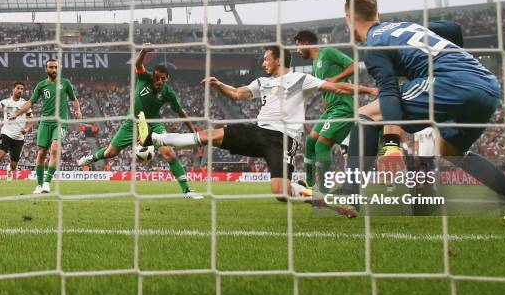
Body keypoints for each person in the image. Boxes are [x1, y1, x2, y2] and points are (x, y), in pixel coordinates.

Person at [344, 0, 505, 220]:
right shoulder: (407, 27)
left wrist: (392, 145)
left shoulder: (374, 46)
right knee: (451, 151)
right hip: (488, 87)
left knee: (365, 115)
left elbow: (389, 93)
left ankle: (350, 197)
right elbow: (452, 28)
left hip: (452, 83)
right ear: (377, 13)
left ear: (349, 18)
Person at [137, 45, 376, 208]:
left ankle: (318, 197)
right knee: (209, 134)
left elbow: (338, 88)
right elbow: (239, 94)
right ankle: (154, 139)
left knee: (280, 193)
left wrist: (367, 90)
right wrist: (219, 84)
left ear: (278, 60)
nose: (263, 63)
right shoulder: (263, 81)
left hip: (282, 139)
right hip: (257, 131)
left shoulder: (301, 79)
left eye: (266, 59)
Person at [78, 43, 201, 199]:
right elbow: (138, 64)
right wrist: (143, 51)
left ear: (167, 78)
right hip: (132, 122)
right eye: (157, 77)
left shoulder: (168, 92)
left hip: (153, 124)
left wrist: (193, 132)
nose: (159, 81)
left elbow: (181, 112)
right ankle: (90, 158)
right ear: (153, 75)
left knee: (169, 153)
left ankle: (187, 190)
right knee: (111, 153)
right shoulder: (144, 77)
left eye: (163, 78)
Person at [294, 29, 377, 193]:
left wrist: (336, 79)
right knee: (310, 142)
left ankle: (323, 190)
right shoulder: (315, 65)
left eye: (298, 46)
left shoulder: (328, 52)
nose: (297, 51)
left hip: (343, 106)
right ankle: (310, 183)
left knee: (321, 145)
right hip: (331, 109)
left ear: (307, 43)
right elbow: (324, 87)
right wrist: (324, 104)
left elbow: (354, 65)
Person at [10, 59, 82, 194]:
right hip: (44, 123)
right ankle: (39, 184)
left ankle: (47, 183)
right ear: (46, 69)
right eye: (51, 67)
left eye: (56, 67)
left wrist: (77, 110)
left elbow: (74, 99)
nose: (54, 70)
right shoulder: (41, 85)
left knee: (55, 149)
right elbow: (31, 102)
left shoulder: (65, 83)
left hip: (60, 123)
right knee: (42, 153)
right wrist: (17, 113)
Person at [0, 81, 33, 190]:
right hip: (6, 133)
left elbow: (31, 119)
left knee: (14, 165)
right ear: (13, 89)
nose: (20, 91)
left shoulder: (25, 104)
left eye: (22, 89)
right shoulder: (4, 102)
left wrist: (27, 128)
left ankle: (9, 169)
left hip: (19, 138)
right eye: (18, 88)